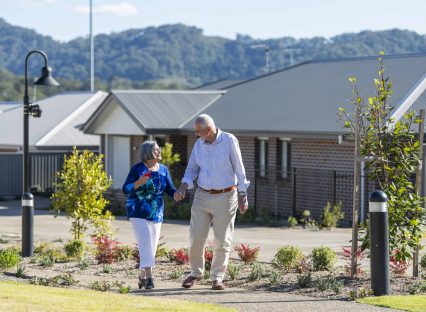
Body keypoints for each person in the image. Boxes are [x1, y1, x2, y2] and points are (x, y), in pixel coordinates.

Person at [174, 114, 249, 290]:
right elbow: (192, 169)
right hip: (202, 195)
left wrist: (243, 194)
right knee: (195, 237)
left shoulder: (229, 141)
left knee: (222, 240)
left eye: (199, 132)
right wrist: (183, 187)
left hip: (226, 196)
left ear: (209, 130)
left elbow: (239, 168)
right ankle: (195, 273)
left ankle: (217, 278)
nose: (197, 135)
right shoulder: (199, 144)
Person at [122, 141, 176, 290]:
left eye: (159, 149)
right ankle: (149, 278)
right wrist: (138, 182)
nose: (159, 151)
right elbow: (126, 188)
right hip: (137, 211)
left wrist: (176, 194)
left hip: (156, 213)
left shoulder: (164, 169)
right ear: (147, 154)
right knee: (145, 242)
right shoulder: (137, 169)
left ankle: (141, 275)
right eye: (156, 150)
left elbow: (170, 189)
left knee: (151, 248)